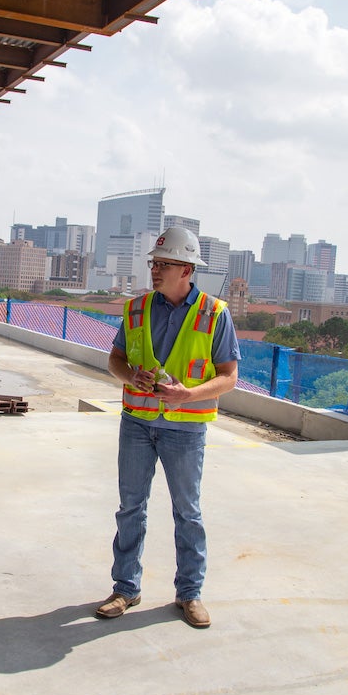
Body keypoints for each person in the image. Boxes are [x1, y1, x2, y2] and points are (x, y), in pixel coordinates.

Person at [95, 226, 240, 629]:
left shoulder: (215, 313)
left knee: (188, 513)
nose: (155, 270)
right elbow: (115, 360)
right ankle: (125, 587)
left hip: (186, 429)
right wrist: (130, 378)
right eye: (154, 264)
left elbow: (229, 376)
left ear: (187, 269)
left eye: (164, 264)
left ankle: (189, 594)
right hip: (137, 423)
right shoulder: (136, 309)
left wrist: (188, 395)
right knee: (130, 507)